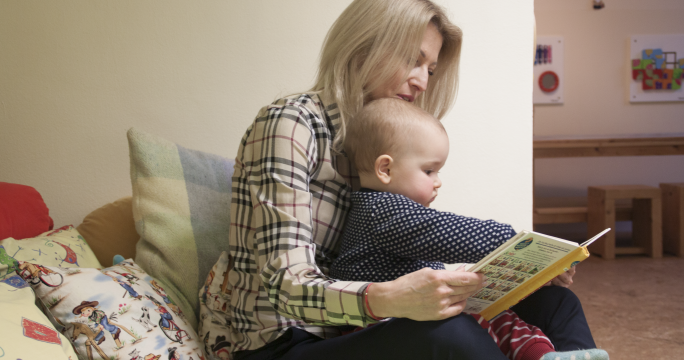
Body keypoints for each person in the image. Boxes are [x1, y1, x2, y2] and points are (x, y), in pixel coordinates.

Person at [199, 1, 599, 359]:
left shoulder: (381, 139)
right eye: (413, 59)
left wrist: (526, 267)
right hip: (288, 342)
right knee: (450, 333)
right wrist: (395, 298)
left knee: (556, 304)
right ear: (363, 45)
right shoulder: (291, 123)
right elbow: (285, 287)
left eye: (430, 68)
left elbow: (414, 238)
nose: (423, 81)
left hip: (353, 329)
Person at [329, 98, 609, 360]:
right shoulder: (380, 211)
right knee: (484, 321)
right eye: (429, 171)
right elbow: (444, 233)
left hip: (413, 314)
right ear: (385, 169)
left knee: (545, 305)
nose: (437, 181)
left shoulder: (389, 209)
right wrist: (518, 243)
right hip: (381, 328)